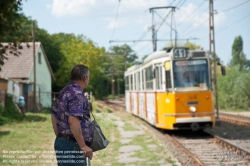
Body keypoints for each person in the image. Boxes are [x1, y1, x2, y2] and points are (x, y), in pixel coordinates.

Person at [51, 64, 93, 166]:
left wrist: (60, 134)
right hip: (72, 146)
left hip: (64, 142)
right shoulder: (77, 93)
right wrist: (83, 146)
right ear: (85, 78)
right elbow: (73, 120)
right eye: (88, 77)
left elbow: (53, 113)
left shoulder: (64, 90)